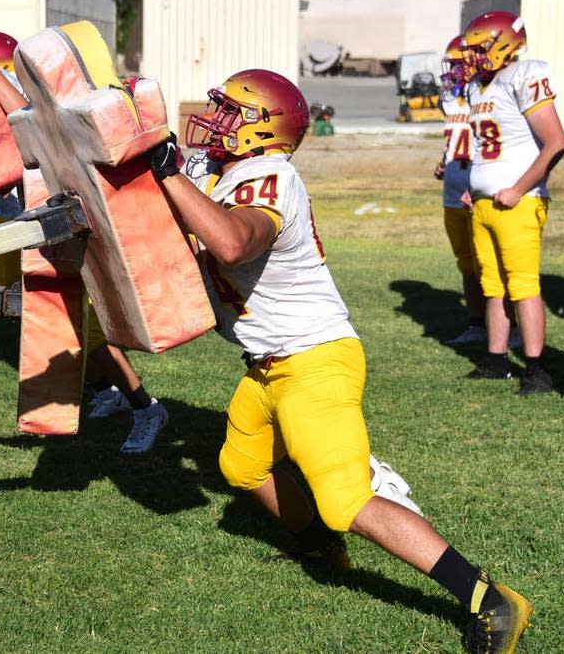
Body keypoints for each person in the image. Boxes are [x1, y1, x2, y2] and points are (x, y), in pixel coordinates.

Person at [149, 69, 531, 653]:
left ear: (264, 129)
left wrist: (170, 173)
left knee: (345, 496)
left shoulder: (269, 174)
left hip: (314, 359)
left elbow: (229, 243)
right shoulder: (225, 173)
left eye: (232, 113)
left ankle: (490, 599)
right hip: (269, 363)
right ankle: (323, 549)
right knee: (241, 466)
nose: (216, 121)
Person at [0, 31, 171, 454]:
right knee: (39, 317)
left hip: (58, 225)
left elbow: (24, 118)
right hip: (21, 224)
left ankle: (144, 405)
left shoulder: (49, 107)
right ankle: (105, 390)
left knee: (83, 328)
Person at [460, 11, 564, 395]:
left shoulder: (526, 75)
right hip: (486, 204)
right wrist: (476, 185)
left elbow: (556, 142)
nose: (471, 56)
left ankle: (537, 370)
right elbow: (490, 148)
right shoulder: (477, 86)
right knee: (492, 286)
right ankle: (496, 360)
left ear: (504, 44)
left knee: (523, 285)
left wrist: (519, 188)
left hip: (517, 203)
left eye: (479, 48)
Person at [435, 35, 487, 345]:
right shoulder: (450, 98)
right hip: (453, 188)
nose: (453, 69)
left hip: (477, 189)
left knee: (488, 264)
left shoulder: (487, 95)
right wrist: (444, 161)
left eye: (458, 63)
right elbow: (457, 138)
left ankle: (510, 330)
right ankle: (477, 324)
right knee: (466, 263)